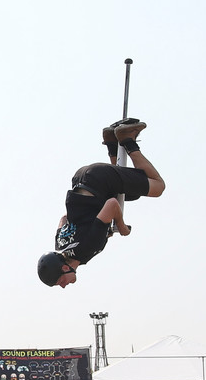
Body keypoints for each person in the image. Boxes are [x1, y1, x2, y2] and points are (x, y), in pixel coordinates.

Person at [38, 120, 168, 287]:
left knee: (157, 186)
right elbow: (64, 218)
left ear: (64, 268)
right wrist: (101, 227)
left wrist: (121, 227)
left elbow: (112, 205)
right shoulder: (61, 245)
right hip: (85, 180)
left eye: (60, 281)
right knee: (131, 195)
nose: (63, 286)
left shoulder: (86, 248)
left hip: (100, 180)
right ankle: (112, 142)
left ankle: (127, 139)